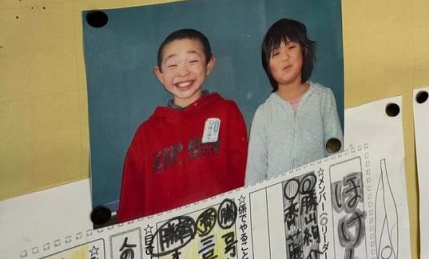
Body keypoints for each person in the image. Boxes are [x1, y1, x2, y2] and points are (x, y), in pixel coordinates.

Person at [117, 29, 247, 222]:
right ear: (159, 74)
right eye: (172, 65)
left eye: (193, 61)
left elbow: (244, 175)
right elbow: (131, 202)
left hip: (222, 230)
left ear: (209, 64)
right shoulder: (146, 133)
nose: (183, 72)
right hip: (168, 241)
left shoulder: (226, 112)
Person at [246, 19, 342, 184]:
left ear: (304, 51)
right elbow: (255, 171)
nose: (285, 57)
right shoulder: (264, 113)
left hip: (319, 196)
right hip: (278, 203)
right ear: (268, 66)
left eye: (291, 47)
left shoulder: (323, 97)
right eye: (275, 54)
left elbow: (336, 153)